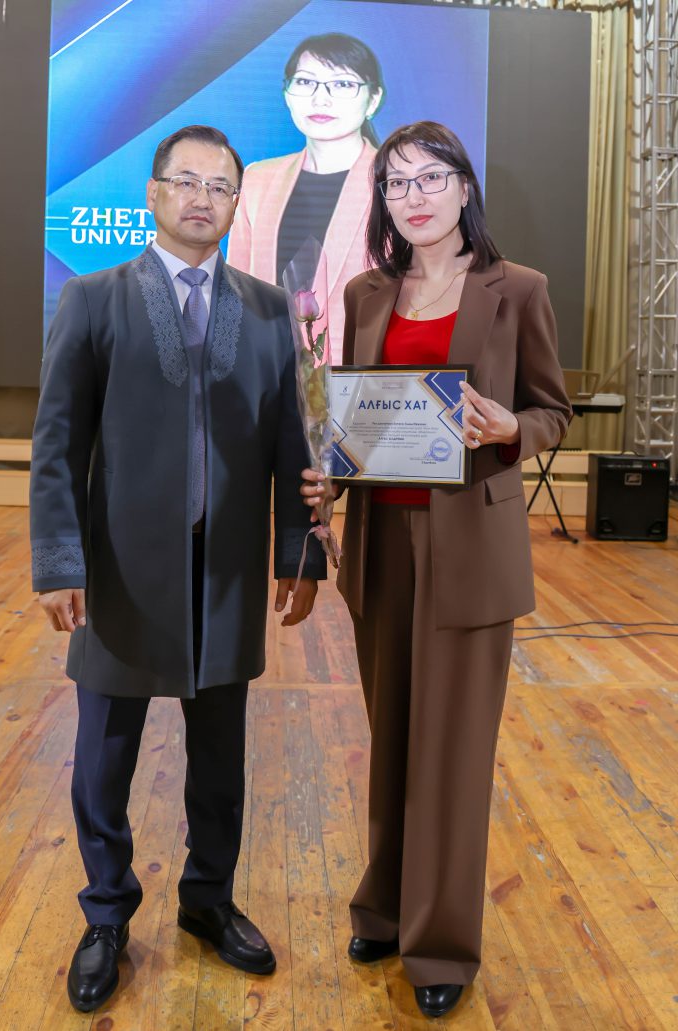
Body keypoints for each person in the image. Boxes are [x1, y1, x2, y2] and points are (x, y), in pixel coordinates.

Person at [30, 124, 325, 1013]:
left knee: (220, 761)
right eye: (185, 181)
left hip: (226, 571)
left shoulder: (269, 310)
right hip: (119, 570)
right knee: (102, 759)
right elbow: (56, 444)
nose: (203, 198)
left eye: (220, 185)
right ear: (153, 194)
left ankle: (208, 899)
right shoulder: (93, 299)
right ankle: (106, 913)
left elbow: (294, 445)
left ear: (238, 203)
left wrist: (300, 552)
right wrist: (59, 560)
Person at [302, 121, 571, 1019]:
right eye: (396, 183)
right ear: (381, 200)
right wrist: (331, 474)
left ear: (464, 188)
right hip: (383, 543)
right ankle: (384, 908)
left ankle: (443, 942)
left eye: (430, 178)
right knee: (393, 739)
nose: (412, 196)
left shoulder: (517, 288)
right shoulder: (365, 291)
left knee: (451, 753)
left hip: (471, 551)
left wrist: (512, 428)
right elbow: (361, 413)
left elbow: (553, 409)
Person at [227, 32, 384, 361]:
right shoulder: (257, 179)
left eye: (342, 84)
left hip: (358, 375)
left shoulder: (394, 184)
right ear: (287, 93)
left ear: (373, 100)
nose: (320, 99)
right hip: (266, 373)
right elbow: (236, 291)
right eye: (305, 82)